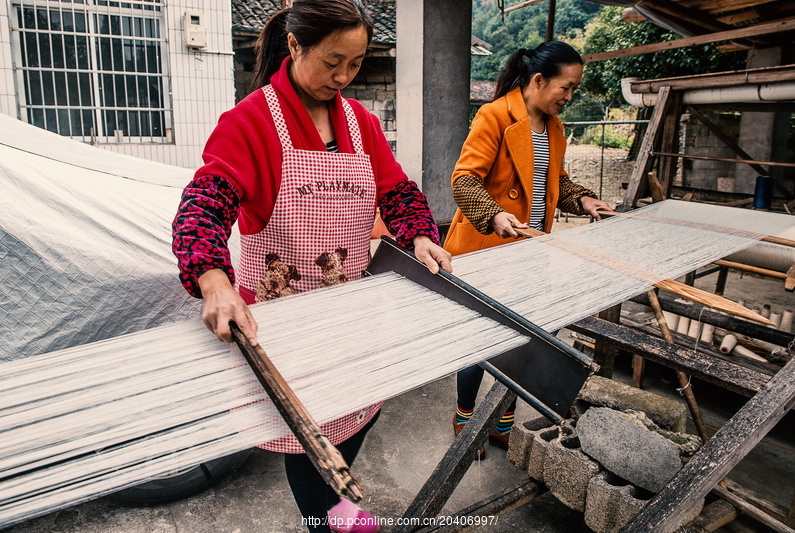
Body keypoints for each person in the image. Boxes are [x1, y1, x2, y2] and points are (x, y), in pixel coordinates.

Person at [171, 1, 452, 531]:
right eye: (332, 62)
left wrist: (418, 234)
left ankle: (336, 512)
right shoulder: (250, 122)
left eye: (356, 63)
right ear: (295, 46)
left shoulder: (359, 122)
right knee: (309, 443)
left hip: (349, 314)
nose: (343, 77)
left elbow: (396, 190)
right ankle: (334, 519)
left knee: (356, 415)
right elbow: (202, 207)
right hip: (283, 323)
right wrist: (213, 280)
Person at [443, 41, 610, 458]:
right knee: (478, 341)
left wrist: (586, 200)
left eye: (574, 89)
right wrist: (495, 215)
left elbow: (558, 182)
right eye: (566, 87)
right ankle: (465, 418)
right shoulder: (494, 115)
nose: (569, 97)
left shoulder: (554, 129)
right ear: (538, 80)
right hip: (486, 249)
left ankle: (500, 423)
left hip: (529, 255)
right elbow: (464, 180)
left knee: (523, 340)